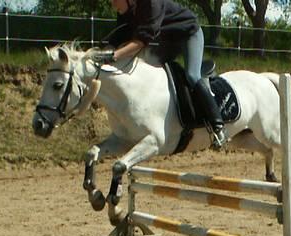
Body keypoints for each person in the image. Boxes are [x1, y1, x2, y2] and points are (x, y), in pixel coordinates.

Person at [94, 0, 227, 150]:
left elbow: (141, 41)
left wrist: (114, 55)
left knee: (192, 76)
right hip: (168, 40)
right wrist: (103, 52)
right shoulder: (126, 10)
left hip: (188, 33)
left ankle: (218, 125)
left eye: (114, 0)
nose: (112, 4)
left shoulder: (151, 3)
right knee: (151, 69)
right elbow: (119, 37)